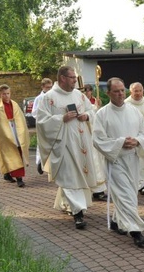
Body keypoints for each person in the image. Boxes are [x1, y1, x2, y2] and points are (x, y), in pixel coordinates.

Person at [36, 66, 102, 229]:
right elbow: (42, 122)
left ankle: (68, 204)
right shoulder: (49, 98)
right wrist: (61, 118)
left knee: (76, 176)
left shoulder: (78, 95)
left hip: (82, 144)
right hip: (64, 144)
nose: (75, 80)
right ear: (63, 78)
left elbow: (91, 110)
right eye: (72, 77)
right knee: (69, 176)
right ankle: (78, 213)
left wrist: (87, 115)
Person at [93, 78, 144, 247]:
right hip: (116, 161)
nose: (120, 94)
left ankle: (117, 221)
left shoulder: (134, 111)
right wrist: (120, 143)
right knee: (125, 196)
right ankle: (136, 231)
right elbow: (97, 139)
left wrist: (138, 141)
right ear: (108, 93)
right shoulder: (102, 114)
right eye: (116, 91)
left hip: (132, 159)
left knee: (131, 193)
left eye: (122, 90)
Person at [0, 84, 30, 188]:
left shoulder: (15, 105)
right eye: (4, 94)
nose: (6, 96)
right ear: (0, 95)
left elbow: (21, 119)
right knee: (10, 153)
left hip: (16, 129)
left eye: (8, 93)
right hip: (6, 132)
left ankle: (7, 174)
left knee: (18, 151)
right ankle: (19, 178)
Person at [32, 78, 53, 174]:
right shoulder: (38, 98)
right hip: (43, 124)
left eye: (51, 87)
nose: (49, 89)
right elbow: (34, 112)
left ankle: (51, 165)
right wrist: (44, 114)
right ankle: (40, 162)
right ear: (43, 87)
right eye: (47, 87)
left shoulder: (54, 97)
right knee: (42, 144)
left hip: (52, 123)